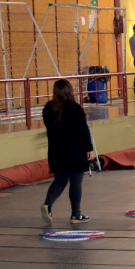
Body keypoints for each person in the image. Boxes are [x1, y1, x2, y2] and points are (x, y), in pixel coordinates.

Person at [40, 80, 94, 225]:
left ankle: (48, 204)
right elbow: (83, 130)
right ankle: (75, 214)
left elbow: (49, 126)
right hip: (75, 151)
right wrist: (89, 148)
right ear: (69, 91)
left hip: (56, 151)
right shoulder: (75, 108)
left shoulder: (48, 108)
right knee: (76, 182)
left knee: (60, 181)